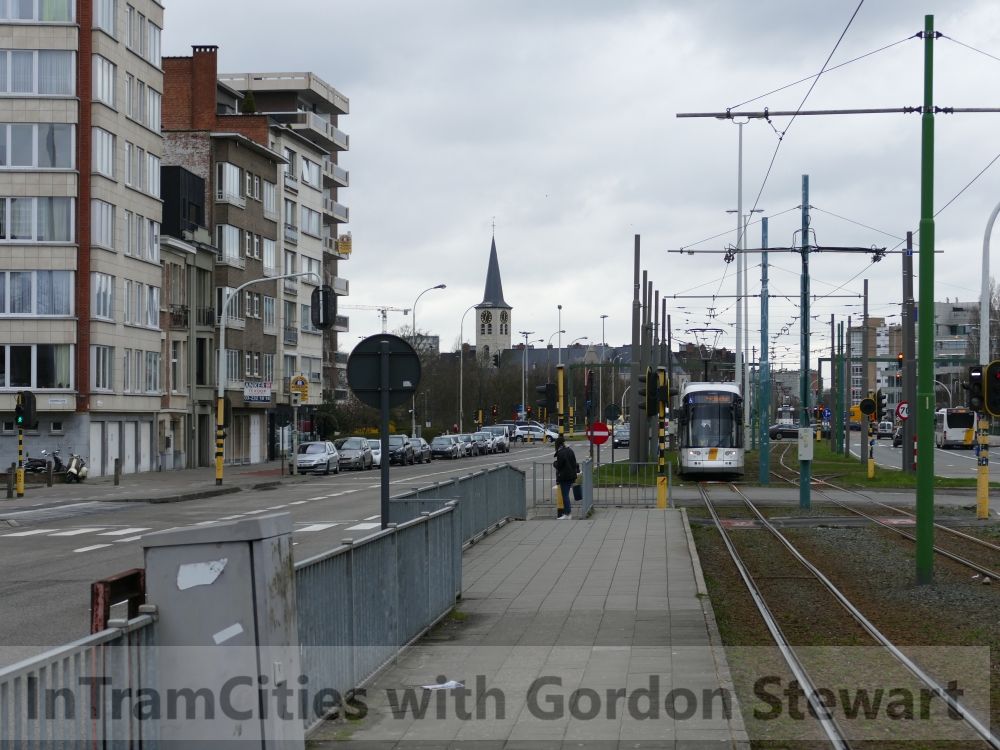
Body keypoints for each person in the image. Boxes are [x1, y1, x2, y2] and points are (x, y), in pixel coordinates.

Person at [553, 435, 578, 519]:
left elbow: (559, 466)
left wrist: (555, 464)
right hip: (571, 475)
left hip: (564, 476)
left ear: (558, 444)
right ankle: (567, 513)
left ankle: (568, 514)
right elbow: (574, 463)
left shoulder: (561, 453)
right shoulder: (570, 450)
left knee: (565, 496)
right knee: (566, 495)